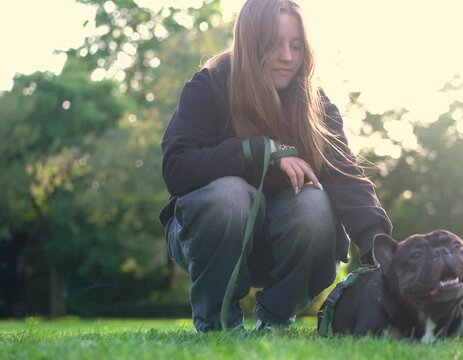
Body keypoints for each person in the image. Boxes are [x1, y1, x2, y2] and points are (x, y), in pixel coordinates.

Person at [159, 0, 392, 332]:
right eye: (273, 44)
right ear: (250, 42)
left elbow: (347, 180)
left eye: (296, 46)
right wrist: (256, 150)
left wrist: (377, 247)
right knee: (229, 195)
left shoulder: (318, 106)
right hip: (207, 238)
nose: (287, 56)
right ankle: (218, 324)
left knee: (315, 201)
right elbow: (176, 169)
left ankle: (277, 319)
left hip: (280, 248)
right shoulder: (208, 86)